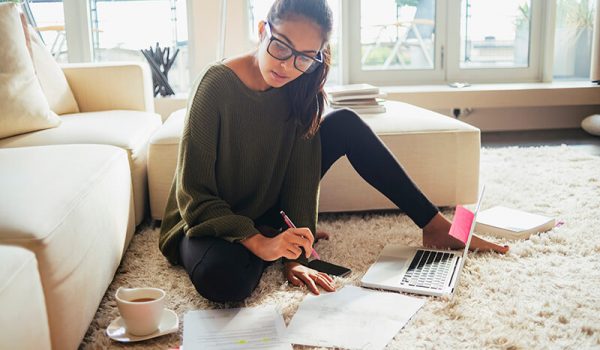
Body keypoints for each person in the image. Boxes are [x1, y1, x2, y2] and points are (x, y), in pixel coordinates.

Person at [159, 0, 508, 303]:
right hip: (206, 218)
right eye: (281, 46)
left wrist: (297, 254)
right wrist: (256, 241)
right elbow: (196, 195)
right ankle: (267, 235)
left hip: (268, 204)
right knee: (225, 281)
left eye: (305, 57)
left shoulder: (301, 84)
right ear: (263, 29)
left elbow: (300, 173)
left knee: (343, 124)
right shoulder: (215, 85)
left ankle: (435, 225)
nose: (287, 66)